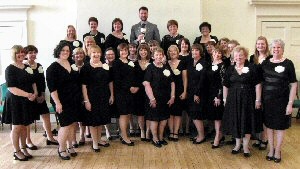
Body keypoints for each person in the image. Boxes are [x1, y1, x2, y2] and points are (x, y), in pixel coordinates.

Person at [261, 39, 297, 163]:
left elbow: (293, 84)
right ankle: (271, 149)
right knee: (269, 127)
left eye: (279, 47)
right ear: (270, 49)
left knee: (280, 127)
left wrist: (290, 103)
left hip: (282, 101)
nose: (276, 50)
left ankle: (278, 150)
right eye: (274, 47)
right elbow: (259, 81)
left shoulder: (288, 63)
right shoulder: (265, 62)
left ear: (282, 49)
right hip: (267, 101)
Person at [222, 46, 262, 157]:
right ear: (233, 57)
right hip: (233, 99)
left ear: (245, 56)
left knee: (246, 121)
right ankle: (237, 144)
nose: (238, 57)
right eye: (236, 55)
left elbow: (258, 85)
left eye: (241, 55)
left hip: (248, 98)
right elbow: (225, 85)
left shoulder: (252, 67)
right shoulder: (230, 69)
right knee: (236, 121)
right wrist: (225, 99)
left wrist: (258, 99)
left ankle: (245, 146)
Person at [46, 41, 81, 160]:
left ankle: (70, 146)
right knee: (65, 125)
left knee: (72, 124)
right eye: (63, 50)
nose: (66, 52)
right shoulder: (52, 68)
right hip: (61, 101)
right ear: (58, 52)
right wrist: (57, 103)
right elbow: (52, 88)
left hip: (74, 99)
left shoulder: (71, 63)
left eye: (67, 50)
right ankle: (61, 148)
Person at [2, 45, 37, 161]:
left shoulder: (27, 66)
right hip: (15, 100)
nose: (21, 55)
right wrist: (28, 95)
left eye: (23, 53)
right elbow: (11, 88)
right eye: (18, 53)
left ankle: (23, 148)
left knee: (24, 126)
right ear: (14, 54)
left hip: (27, 100)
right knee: (17, 127)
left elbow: (33, 82)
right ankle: (16, 151)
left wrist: (35, 93)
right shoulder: (9, 69)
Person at [23, 45, 59, 151]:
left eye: (34, 52)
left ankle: (50, 137)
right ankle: (28, 141)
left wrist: (42, 94)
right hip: (29, 96)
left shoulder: (39, 65)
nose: (33, 54)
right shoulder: (23, 66)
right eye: (30, 52)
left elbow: (42, 81)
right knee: (28, 120)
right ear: (26, 54)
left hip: (40, 96)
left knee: (46, 115)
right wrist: (32, 95)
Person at [81, 45, 114, 152]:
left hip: (104, 97)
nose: (96, 54)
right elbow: (83, 85)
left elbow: (110, 82)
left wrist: (112, 95)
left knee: (101, 120)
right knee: (93, 121)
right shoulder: (86, 67)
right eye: (93, 52)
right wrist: (86, 100)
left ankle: (99, 139)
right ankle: (95, 143)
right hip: (91, 98)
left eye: (98, 52)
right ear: (90, 54)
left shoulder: (105, 66)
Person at [143, 48, 175, 148]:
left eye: (160, 55)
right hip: (154, 98)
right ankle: (155, 138)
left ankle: (161, 137)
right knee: (155, 120)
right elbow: (146, 84)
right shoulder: (150, 67)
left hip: (165, 98)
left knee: (164, 119)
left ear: (163, 56)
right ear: (153, 56)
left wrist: (172, 96)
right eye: (156, 55)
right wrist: (152, 98)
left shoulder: (166, 67)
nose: (159, 56)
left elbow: (172, 82)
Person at [112, 43, 137, 146]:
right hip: (121, 92)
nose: (124, 52)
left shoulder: (131, 62)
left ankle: (124, 135)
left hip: (130, 93)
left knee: (127, 115)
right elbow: (117, 80)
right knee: (123, 115)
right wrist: (129, 87)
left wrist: (136, 87)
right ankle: (124, 136)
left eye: (125, 50)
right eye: (122, 50)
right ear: (119, 52)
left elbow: (134, 76)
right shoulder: (116, 63)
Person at [249, 36, 271, 150]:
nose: (260, 46)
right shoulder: (253, 57)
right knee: (257, 114)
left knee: (264, 115)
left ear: (266, 45)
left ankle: (264, 139)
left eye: (262, 44)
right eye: (258, 44)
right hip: (254, 89)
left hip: (266, 89)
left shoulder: (270, 58)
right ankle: (258, 138)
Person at [186, 44, 208, 144]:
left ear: (200, 52)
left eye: (197, 50)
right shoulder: (191, 62)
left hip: (199, 92)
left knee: (196, 115)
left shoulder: (203, 63)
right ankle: (199, 134)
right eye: (193, 50)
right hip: (191, 92)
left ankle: (202, 136)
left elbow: (202, 80)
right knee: (193, 114)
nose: (194, 52)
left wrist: (197, 93)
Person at [205, 46, 226, 148]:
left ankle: (217, 136)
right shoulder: (210, 64)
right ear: (212, 54)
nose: (217, 55)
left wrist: (218, 96)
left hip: (218, 94)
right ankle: (219, 135)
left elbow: (223, 83)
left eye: (219, 53)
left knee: (218, 117)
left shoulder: (223, 66)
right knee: (214, 116)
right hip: (209, 93)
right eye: (215, 53)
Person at [167, 45, 187, 141]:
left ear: (177, 52)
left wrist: (185, 91)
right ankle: (171, 132)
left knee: (178, 113)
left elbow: (185, 78)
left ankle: (176, 132)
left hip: (179, 90)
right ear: (168, 53)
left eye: (174, 51)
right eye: (170, 51)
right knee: (170, 113)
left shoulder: (182, 63)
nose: (173, 53)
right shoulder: (166, 63)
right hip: (168, 91)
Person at [133, 44, 151, 141]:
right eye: (141, 50)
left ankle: (148, 131)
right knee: (140, 113)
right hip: (139, 92)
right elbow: (133, 79)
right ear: (138, 52)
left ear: (148, 52)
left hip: (150, 92)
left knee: (149, 112)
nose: (143, 52)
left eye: (145, 50)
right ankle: (142, 131)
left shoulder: (152, 63)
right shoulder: (134, 63)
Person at [71, 47, 86, 147]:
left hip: (85, 95)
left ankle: (82, 136)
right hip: (73, 96)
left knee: (82, 118)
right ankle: (73, 139)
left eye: (81, 53)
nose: (79, 55)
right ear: (73, 56)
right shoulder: (70, 67)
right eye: (76, 54)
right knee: (74, 119)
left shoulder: (87, 66)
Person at [178, 37, 192, 136]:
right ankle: (179, 128)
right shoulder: (176, 56)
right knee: (179, 108)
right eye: (182, 44)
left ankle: (187, 127)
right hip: (178, 84)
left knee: (188, 108)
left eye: (186, 44)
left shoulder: (191, 56)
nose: (184, 45)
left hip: (190, 84)